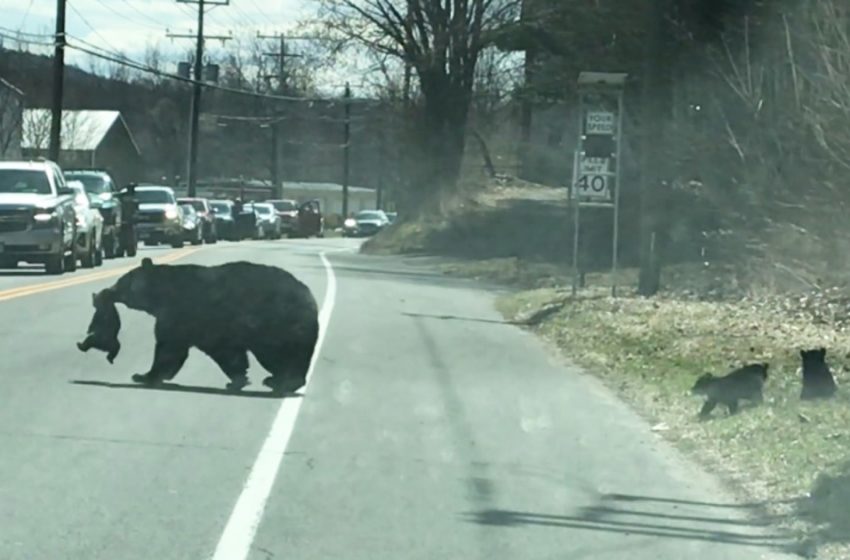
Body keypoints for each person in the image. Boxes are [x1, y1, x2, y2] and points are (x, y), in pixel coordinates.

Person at [117, 183, 139, 257]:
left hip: (128, 221)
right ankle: (123, 249)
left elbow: (135, 210)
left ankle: (129, 249)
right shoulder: (123, 197)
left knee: (129, 237)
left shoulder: (131, 198)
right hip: (124, 221)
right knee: (125, 236)